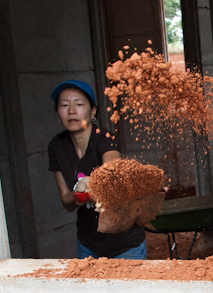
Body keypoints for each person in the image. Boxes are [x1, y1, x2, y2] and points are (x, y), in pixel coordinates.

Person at [48, 80, 146, 259]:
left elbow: (111, 172)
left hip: (125, 243)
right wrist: (79, 195)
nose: (71, 111)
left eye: (79, 104)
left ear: (92, 111)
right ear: (58, 113)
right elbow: (66, 201)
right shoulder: (57, 146)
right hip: (88, 244)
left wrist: (94, 184)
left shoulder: (105, 139)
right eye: (64, 105)